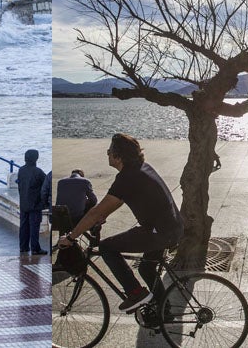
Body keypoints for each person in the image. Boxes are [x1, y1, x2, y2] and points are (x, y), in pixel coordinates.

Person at [58, 133, 185, 312]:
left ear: (118, 157)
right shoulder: (141, 168)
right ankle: (164, 311)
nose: (107, 154)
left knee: (107, 247)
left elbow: (96, 212)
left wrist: (71, 237)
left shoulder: (127, 178)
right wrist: (104, 214)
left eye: (109, 151)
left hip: (160, 232)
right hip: (172, 227)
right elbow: (116, 201)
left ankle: (135, 293)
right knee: (146, 269)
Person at [18, 149, 47, 256]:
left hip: (24, 202)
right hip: (35, 204)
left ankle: (23, 247)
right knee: (34, 227)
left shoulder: (21, 170)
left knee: (24, 226)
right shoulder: (38, 172)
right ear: (36, 158)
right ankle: (35, 248)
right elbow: (45, 187)